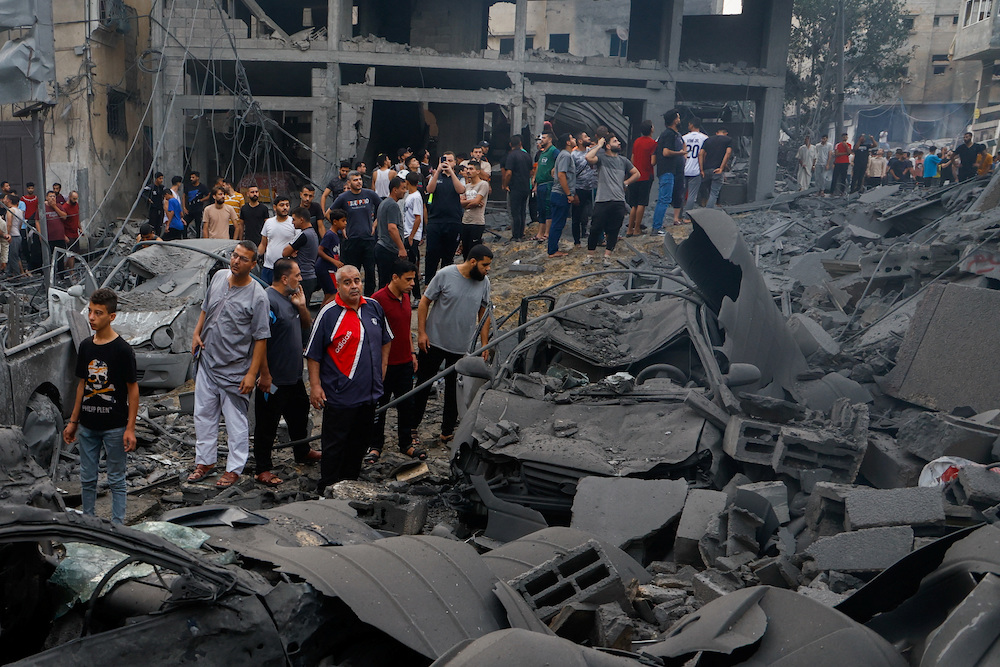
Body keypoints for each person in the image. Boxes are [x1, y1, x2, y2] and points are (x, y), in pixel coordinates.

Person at [188, 240, 270, 488]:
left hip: (235, 369)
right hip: (208, 361)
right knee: (203, 414)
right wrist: (196, 333)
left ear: (253, 264)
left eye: (243, 259)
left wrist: (252, 374)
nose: (236, 261)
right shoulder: (219, 277)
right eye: (234, 256)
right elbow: (205, 308)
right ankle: (205, 461)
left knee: (235, 421)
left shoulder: (258, 296)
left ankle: (234, 468)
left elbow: (260, 339)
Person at [307, 265, 392, 493]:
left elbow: (386, 338)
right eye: (347, 282)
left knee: (359, 444)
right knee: (334, 446)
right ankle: (327, 491)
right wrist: (315, 386)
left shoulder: (373, 307)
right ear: (338, 285)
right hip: (340, 395)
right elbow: (313, 354)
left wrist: (383, 367)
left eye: (357, 280)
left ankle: (349, 486)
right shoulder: (328, 314)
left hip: (369, 394)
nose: (354, 286)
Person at [63, 288, 138, 524]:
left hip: (115, 426)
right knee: (86, 478)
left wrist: (130, 428)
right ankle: (89, 525)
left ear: (111, 317)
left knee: (116, 479)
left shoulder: (123, 350)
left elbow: (133, 390)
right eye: (90, 312)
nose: (92, 317)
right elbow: (81, 385)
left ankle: (118, 528)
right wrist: (74, 422)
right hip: (87, 425)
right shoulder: (86, 346)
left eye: (98, 313)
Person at [412, 245, 492, 445]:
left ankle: (447, 431)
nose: (488, 269)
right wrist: (421, 333)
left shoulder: (484, 282)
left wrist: (485, 344)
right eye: (485, 265)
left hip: (460, 347)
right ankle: (411, 429)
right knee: (423, 385)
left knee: (454, 391)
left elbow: (484, 313)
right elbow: (424, 302)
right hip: (434, 342)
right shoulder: (445, 274)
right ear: (473, 261)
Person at [252, 258, 320, 486]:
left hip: (293, 376)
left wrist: (302, 307)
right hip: (272, 379)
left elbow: (306, 326)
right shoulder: (267, 301)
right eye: (297, 275)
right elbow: (259, 341)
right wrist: (265, 375)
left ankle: (302, 451)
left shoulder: (292, 299)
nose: (300, 279)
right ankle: (262, 468)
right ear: (284, 278)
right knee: (267, 424)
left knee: (299, 417)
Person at [366, 259, 423, 464]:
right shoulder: (377, 300)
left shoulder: (405, 297)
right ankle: (375, 446)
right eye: (408, 279)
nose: (412, 284)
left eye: (413, 279)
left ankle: (406, 443)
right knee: (379, 406)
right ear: (395, 278)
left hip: (405, 362)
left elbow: (406, 328)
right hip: (384, 365)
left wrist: (412, 353)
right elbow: (371, 334)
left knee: (407, 405)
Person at [585, 133, 640, 266]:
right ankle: (590, 256)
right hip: (602, 200)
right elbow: (588, 157)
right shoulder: (601, 158)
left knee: (614, 229)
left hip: (619, 200)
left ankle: (607, 256)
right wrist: (599, 145)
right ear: (608, 145)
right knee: (595, 228)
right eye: (615, 141)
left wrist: (626, 183)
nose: (619, 143)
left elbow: (637, 174)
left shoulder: (624, 161)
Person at [330, 170, 380, 295]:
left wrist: (374, 224)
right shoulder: (343, 197)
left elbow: (382, 208)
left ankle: (368, 299)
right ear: (349, 182)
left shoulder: (370, 194)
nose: (358, 182)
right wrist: (341, 228)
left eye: (360, 179)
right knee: (351, 274)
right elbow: (329, 213)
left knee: (370, 273)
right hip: (351, 241)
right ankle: (353, 297)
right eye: (355, 180)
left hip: (368, 240)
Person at [424, 152, 466, 286]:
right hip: (435, 220)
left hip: (453, 220)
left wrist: (451, 173)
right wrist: (437, 171)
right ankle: (429, 284)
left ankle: (446, 283)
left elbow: (461, 190)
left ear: (455, 163)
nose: (447, 162)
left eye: (450, 160)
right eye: (444, 160)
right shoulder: (435, 177)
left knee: (448, 255)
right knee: (432, 254)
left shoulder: (459, 177)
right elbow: (429, 189)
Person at [652, 109, 686, 234]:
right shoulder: (669, 134)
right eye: (677, 117)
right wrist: (680, 153)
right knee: (664, 199)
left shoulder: (675, 135)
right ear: (673, 120)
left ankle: (657, 226)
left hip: (673, 171)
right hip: (667, 170)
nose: (679, 120)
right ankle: (656, 227)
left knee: (668, 198)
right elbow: (666, 152)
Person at [546, 133, 578, 258]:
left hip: (557, 193)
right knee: (558, 223)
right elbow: (561, 175)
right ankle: (553, 250)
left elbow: (554, 171)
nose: (574, 139)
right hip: (560, 194)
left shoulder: (563, 155)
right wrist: (568, 193)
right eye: (572, 138)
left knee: (557, 222)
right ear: (568, 142)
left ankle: (553, 248)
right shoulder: (565, 155)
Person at [374, 176, 408, 290]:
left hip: (382, 248)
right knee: (388, 286)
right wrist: (401, 248)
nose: (405, 191)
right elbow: (392, 228)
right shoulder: (392, 205)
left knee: (384, 283)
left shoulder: (384, 203)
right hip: (388, 249)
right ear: (395, 189)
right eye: (403, 188)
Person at [283, 206, 320, 307]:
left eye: (294, 219)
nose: (292, 222)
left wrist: (292, 251)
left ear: (302, 219)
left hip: (302, 277)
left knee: (298, 309)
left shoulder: (303, 235)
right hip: (310, 277)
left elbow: (285, 252)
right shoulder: (313, 233)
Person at [258, 196, 295, 285]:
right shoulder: (268, 222)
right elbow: (263, 244)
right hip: (268, 267)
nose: (285, 208)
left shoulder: (294, 223)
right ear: (274, 207)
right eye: (282, 205)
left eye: (287, 205)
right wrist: (256, 256)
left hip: (285, 268)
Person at [502, 135, 532, 241]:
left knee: (515, 212)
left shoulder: (511, 156)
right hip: (525, 186)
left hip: (515, 187)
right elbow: (531, 171)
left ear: (510, 144)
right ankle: (521, 233)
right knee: (522, 211)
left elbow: (508, 172)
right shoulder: (527, 155)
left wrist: (505, 184)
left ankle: (516, 235)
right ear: (520, 143)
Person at [402, 171, 425, 303]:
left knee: (412, 266)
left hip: (412, 235)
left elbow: (417, 218)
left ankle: (416, 296)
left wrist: (412, 236)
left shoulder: (415, 197)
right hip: (407, 233)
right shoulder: (409, 196)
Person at [571, 130, 597, 245]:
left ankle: (585, 233)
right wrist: (573, 193)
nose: (589, 138)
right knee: (576, 215)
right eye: (586, 137)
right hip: (578, 188)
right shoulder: (574, 155)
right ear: (580, 141)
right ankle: (577, 241)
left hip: (590, 188)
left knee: (589, 213)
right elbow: (571, 175)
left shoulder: (590, 151)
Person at [532, 132, 559, 241]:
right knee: (541, 209)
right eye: (541, 138)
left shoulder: (554, 151)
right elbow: (539, 166)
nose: (541, 140)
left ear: (550, 139)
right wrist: (535, 178)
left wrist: (555, 169)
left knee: (548, 208)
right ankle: (539, 233)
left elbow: (560, 160)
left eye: (544, 138)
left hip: (548, 183)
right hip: (540, 184)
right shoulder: (542, 152)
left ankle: (547, 233)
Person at [316, 209, 346, 306]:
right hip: (325, 268)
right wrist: (333, 261)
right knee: (334, 292)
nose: (345, 223)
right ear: (335, 222)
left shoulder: (336, 235)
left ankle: (319, 317)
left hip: (330, 268)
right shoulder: (329, 235)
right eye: (343, 221)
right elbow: (320, 250)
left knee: (328, 294)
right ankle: (323, 314)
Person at [462, 160, 491, 258]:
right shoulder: (466, 186)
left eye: (471, 169)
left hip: (477, 222)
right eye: (467, 169)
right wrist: (471, 203)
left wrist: (472, 202)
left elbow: (477, 201)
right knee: (465, 251)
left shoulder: (483, 184)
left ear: (478, 171)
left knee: (474, 251)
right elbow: (461, 202)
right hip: (465, 221)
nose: (468, 171)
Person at [682, 118, 708, 211]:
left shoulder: (684, 137)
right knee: (692, 195)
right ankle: (687, 216)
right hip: (696, 169)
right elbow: (705, 154)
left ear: (691, 124)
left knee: (682, 194)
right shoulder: (704, 138)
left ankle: (679, 216)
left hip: (684, 168)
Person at [43, 190, 67, 276]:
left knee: (60, 257)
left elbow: (64, 217)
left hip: (59, 237)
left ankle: (61, 275)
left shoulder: (59, 206)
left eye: (54, 196)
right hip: (48, 237)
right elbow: (38, 221)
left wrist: (55, 207)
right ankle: (50, 275)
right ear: (46, 198)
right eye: (50, 196)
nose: (52, 198)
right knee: (49, 257)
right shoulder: (43, 207)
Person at [184, 171, 210, 238]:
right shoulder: (188, 186)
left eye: (193, 177)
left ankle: (198, 239)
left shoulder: (202, 187)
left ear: (197, 178)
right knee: (184, 223)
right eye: (191, 177)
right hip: (190, 209)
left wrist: (202, 200)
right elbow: (184, 196)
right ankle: (184, 238)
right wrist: (184, 207)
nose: (191, 179)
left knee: (198, 226)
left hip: (198, 209)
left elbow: (209, 195)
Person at [4, 193, 24, 276]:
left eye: (5, 198)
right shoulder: (19, 211)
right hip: (17, 235)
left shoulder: (11, 210)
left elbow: (9, 224)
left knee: (12, 257)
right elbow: (20, 224)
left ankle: (16, 275)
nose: (3, 200)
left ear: (9, 200)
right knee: (13, 255)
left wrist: (8, 234)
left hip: (13, 236)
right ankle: (9, 273)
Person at [63, 191, 81, 269]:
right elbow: (61, 223)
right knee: (71, 254)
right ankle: (71, 273)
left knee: (75, 253)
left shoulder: (76, 205)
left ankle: (63, 267)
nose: (75, 201)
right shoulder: (64, 207)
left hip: (75, 233)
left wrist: (80, 228)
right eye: (74, 199)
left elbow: (77, 218)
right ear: (69, 197)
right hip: (68, 233)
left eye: (76, 199)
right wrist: (64, 236)